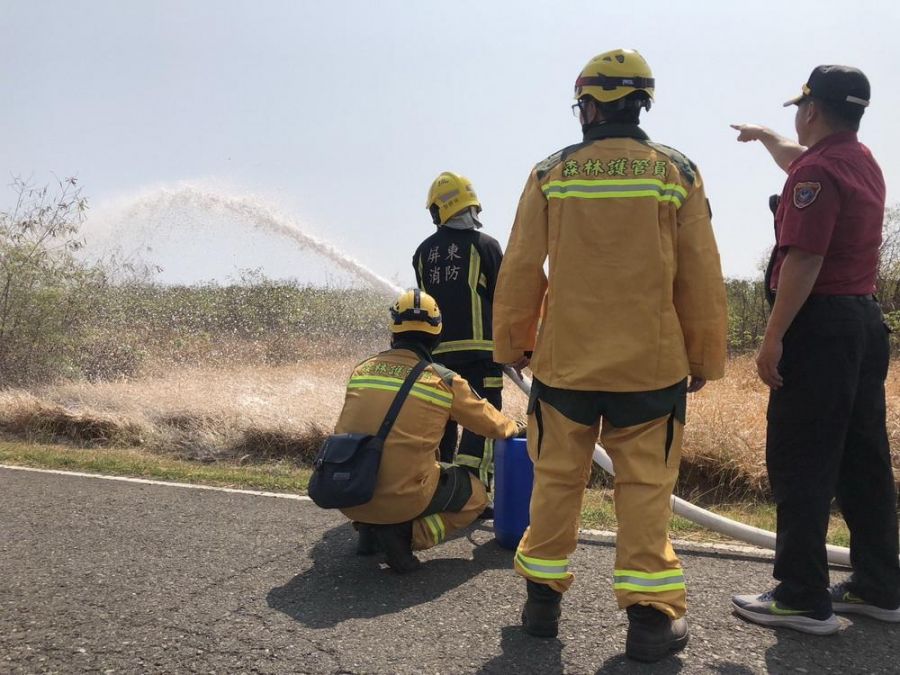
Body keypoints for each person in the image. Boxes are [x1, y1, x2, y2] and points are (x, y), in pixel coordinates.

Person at [492, 49, 727, 662]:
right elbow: (700, 274)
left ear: (591, 105)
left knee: (556, 484)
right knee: (646, 491)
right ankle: (650, 622)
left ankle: (541, 604)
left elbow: (521, 266)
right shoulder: (678, 173)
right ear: (639, 102)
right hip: (650, 371)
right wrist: (703, 356)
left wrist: (513, 344)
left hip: (565, 368)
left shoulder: (551, 172)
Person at [730, 65, 900, 633]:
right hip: (863, 324)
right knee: (862, 458)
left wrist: (772, 338)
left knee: (802, 458)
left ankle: (802, 595)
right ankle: (880, 585)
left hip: (818, 325)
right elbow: (793, 155)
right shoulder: (858, 161)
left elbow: (804, 259)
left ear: (813, 110)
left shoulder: (818, 174)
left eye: (799, 110)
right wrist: (762, 135)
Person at [334, 288, 521, 573]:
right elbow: (491, 424)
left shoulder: (362, 370)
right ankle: (407, 535)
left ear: (394, 332)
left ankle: (368, 529)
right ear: (437, 336)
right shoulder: (442, 380)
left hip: (349, 490)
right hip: (402, 499)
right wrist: (516, 427)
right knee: (476, 497)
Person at [414, 172, 505, 492]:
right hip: (482, 357)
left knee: (441, 423)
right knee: (484, 421)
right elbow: (505, 300)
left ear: (441, 209)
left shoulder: (423, 253)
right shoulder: (487, 247)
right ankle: (475, 492)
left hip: (437, 358)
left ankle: (438, 490)